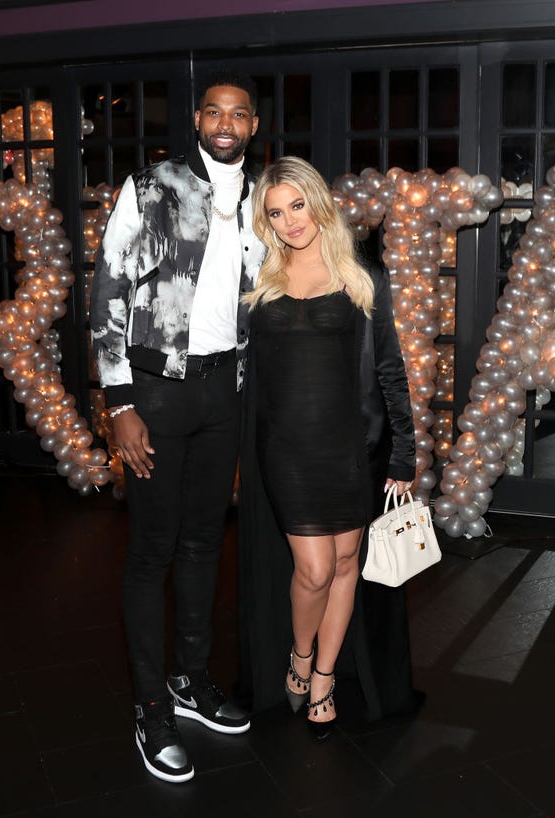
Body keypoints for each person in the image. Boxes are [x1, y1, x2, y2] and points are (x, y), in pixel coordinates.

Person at [89, 67, 266, 783]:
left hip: (223, 391)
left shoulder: (262, 198)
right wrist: (120, 404)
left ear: (253, 126)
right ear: (197, 120)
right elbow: (106, 288)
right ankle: (150, 706)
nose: (225, 124)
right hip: (154, 394)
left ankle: (191, 682)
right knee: (151, 552)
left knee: (202, 544)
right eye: (214, 112)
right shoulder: (150, 186)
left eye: (239, 114)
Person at [238, 156, 417, 739]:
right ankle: (298, 653)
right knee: (313, 569)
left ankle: (323, 676)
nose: (291, 221)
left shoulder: (362, 277)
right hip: (287, 448)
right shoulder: (259, 283)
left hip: (351, 447)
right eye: (276, 212)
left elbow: (390, 369)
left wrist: (404, 454)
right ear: (265, 223)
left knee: (346, 564)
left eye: (297, 205)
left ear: (317, 201)